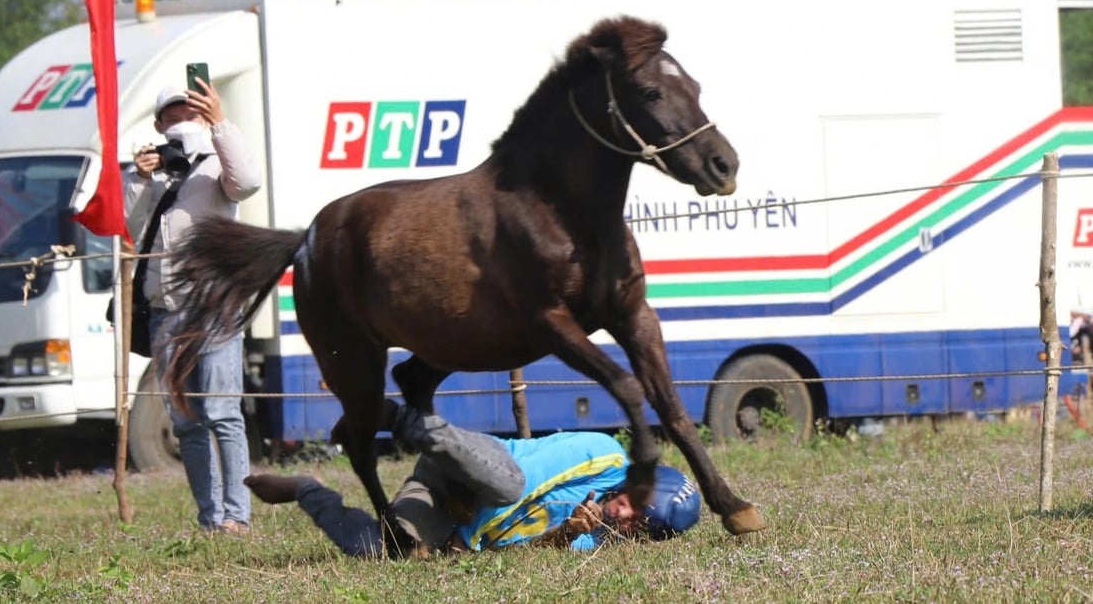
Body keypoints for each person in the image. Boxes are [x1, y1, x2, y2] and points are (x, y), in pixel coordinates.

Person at [244, 400, 701, 558]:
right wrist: (468, 544)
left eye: (636, 526)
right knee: (510, 485)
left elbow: (523, 550)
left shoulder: (595, 538)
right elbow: (533, 482)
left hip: (445, 505)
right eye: (633, 506)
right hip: (470, 470)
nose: (622, 517)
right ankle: (401, 417)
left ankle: (305, 489)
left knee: (382, 552)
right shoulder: (604, 456)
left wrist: (563, 536)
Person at [124, 78, 262, 533]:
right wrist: (139, 179)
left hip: (216, 306)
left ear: (204, 116)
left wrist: (221, 122)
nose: (183, 119)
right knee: (185, 423)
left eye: (192, 111)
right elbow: (127, 227)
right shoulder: (151, 172)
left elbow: (247, 183)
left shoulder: (217, 161)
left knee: (222, 411)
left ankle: (237, 517)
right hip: (166, 311)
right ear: (159, 124)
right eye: (174, 114)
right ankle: (210, 517)